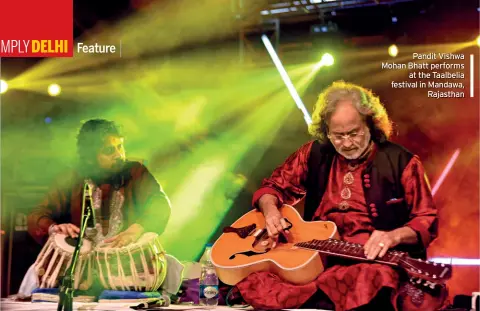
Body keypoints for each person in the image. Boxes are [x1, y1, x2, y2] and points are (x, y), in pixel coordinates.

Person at [234, 81, 447, 311]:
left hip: (369, 263)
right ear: (326, 132)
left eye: (354, 133)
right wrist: (271, 210)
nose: (346, 143)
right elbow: (272, 188)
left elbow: (426, 219)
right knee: (255, 281)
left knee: (373, 278)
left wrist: (393, 237)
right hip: (313, 261)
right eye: (338, 136)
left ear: (371, 124)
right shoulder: (313, 154)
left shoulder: (402, 162)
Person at [27, 118, 171, 248]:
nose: (119, 155)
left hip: (127, 255)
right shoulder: (71, 178)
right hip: (82, 259)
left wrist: (137, 228)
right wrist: (55, 227)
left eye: (120, 146)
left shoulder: (135, 172)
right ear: (90, 157)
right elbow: (37, 214)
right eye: (109, 151)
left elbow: (160, 205)